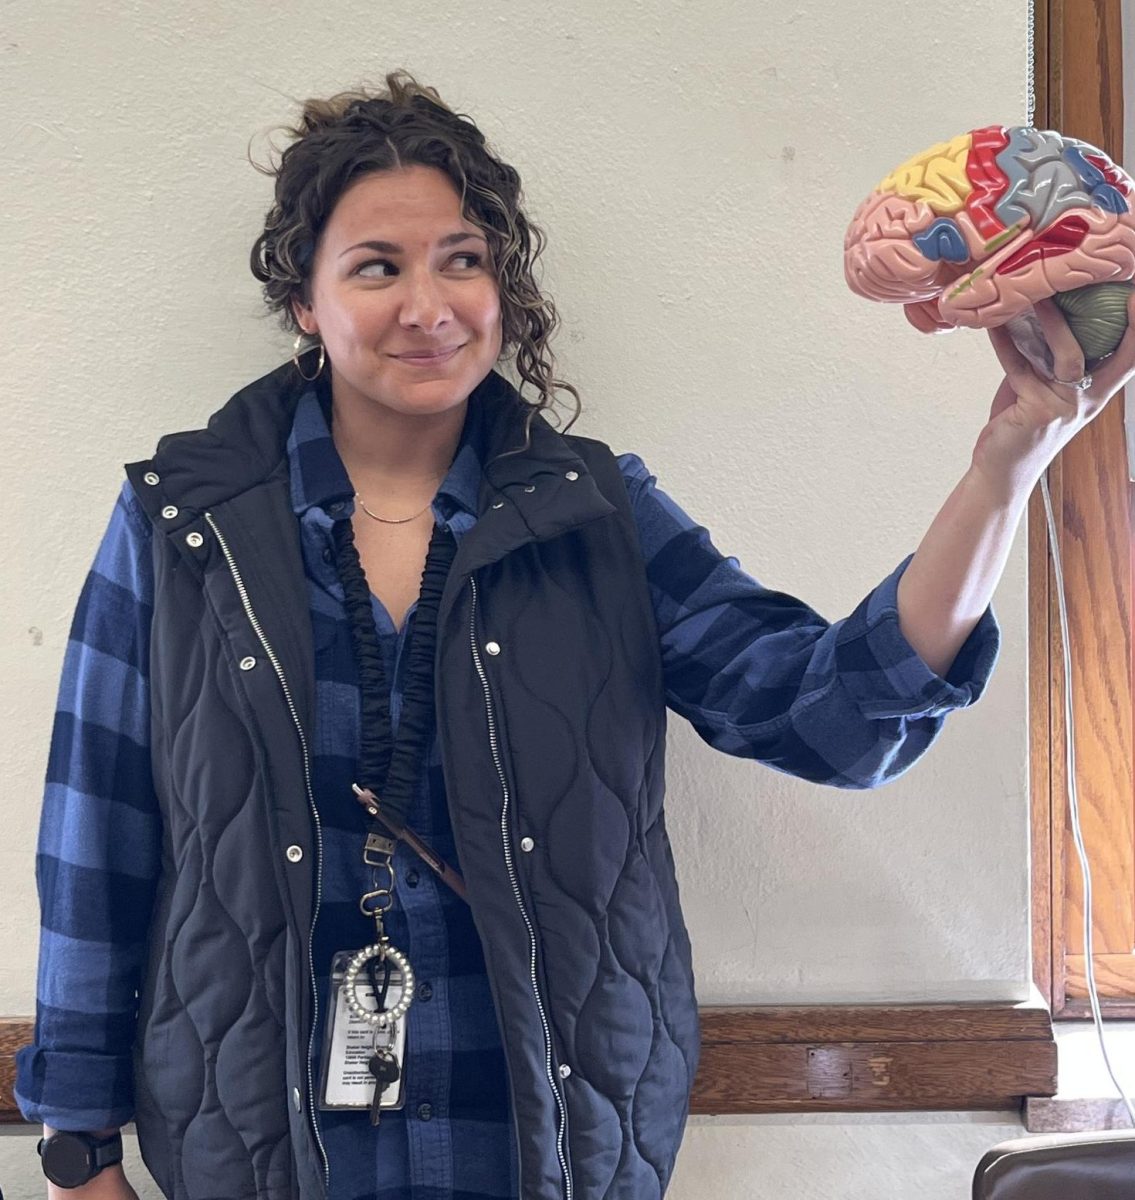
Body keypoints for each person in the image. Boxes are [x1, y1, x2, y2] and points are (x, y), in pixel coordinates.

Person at [15, 70, 1135, 1200]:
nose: (428, 305)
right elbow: (97, 835)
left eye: (461, 259)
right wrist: (77, 1149)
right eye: (376, 267)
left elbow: (829, 720)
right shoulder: (182, 524)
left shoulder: (599, 514)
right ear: (306, 299)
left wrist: (1008, 464)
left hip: (545, 1143)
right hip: (263, 1148)